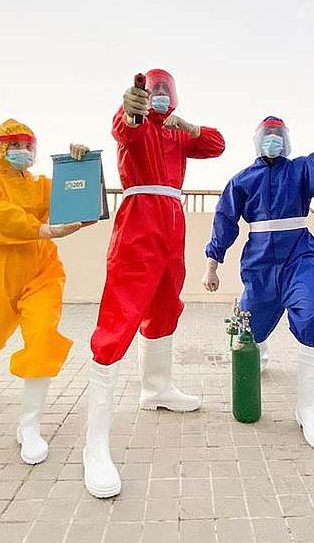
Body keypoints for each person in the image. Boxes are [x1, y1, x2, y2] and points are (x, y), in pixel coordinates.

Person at [84, 69, 225, 498]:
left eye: (166, 91)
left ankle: (156, 388)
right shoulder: (137, 121)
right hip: (139, 219)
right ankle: (96, 445)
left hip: (173, 221)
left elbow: (216, 145)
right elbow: (123, 127)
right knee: (121, 314)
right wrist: (131, 109)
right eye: (154, 91)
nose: (160, 96)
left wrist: (186, 124)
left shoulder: (180, 134)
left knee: (166, 305)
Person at [202, 116, 314, 450]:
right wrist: (211, 266)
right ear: (258, 140)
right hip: (260, 266)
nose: (272, 140)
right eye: (267, 136)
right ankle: (258, 351)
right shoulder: (242, 181)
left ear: (285, 140)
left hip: (298, 259)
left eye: (278, 136)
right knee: (245, 334)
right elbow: (224, 222)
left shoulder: (298, 172)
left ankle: (308, 411)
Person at [0, 119, 91, 465]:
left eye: (28, 146)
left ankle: (29, 427)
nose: (23, 152)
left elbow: (79, 201)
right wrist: (42, 228)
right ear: (1, 148)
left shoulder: (45, 186)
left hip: (42, 268)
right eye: (15, 145)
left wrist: (82, 165)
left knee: (43, 335)